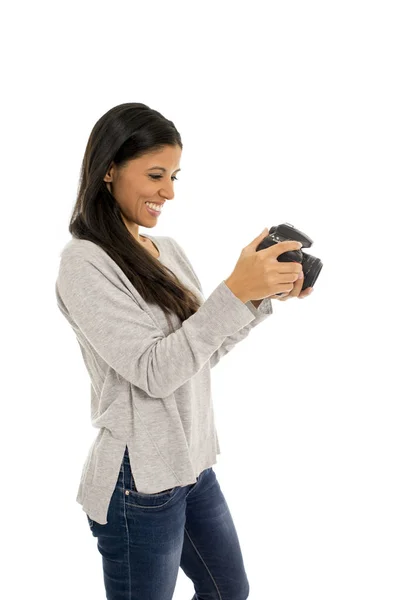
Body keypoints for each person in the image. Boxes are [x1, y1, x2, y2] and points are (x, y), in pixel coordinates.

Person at [55, 102, 310, 600]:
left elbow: (199, 354)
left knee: (227, 591)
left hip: (190, 464)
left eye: (173, 175)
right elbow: (154, 372)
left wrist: (257, 297)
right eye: (155, 174)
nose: (168, 192)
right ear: (109, 169)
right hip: (139, 480)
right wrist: (234, 292)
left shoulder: (165, 250)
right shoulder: (83, 263)